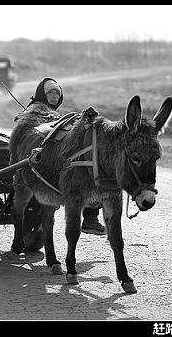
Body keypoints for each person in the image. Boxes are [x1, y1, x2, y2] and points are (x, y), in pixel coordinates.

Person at [21, 77, 106, 235]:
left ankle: (90, 218)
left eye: (57, 93)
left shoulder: (57, 115)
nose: (54, 95)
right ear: (42, 93)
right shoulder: (32, 110)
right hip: (37, 158)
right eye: (50, 92)